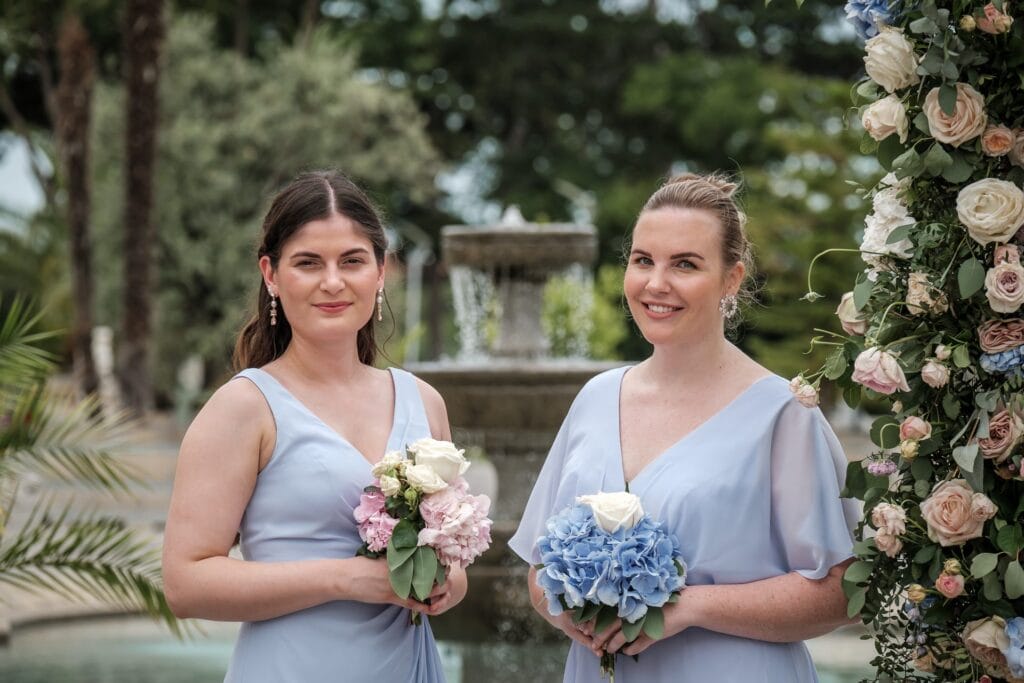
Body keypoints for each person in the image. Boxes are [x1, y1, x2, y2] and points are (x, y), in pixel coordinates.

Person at [509, 172, 860, 682]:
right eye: (643, 260)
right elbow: (539, 573)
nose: (656, 284)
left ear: (731, 279)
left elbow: (844, 591)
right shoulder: (596, 398)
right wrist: (577, 614)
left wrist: (688, 607)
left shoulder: (783, 413)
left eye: (685, 265)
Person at [162, 170, 463, 682]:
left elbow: (455, 566)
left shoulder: (424, 402)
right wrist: (346, 579)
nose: (332, 281)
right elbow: (184, 584)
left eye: (352, 261)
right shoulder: (244, 407)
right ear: (271, 275)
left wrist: (445, 584)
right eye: (307, 263)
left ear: (381, 271)